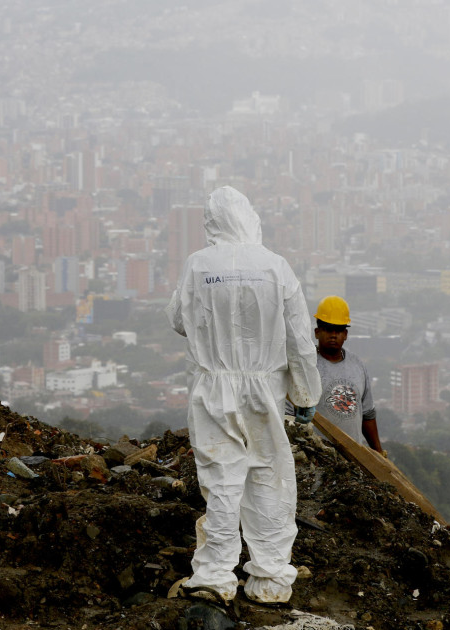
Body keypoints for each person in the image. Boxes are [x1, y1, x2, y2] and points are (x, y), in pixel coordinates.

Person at [166, 185, 322, 606]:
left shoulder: (198, 265)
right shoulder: (276, 266)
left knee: (220, 479)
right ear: (249, 217)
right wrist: (306, 392)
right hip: (265, 388)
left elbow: (180, 320)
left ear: (213, 223)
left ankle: (216, 577)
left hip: (213, 387)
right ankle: (270, 579)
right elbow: (300, 339)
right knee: (269, 475)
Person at [311, 295, 383, 454]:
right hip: (316, 458)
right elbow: (289, 416)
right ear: (317, 332)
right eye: (328, 329)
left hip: (353, 460)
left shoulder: (357, 366)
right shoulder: (306, 365)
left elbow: (367, 413)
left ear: (345, 334)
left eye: (338, 330)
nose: (333, 335)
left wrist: (378, 453)